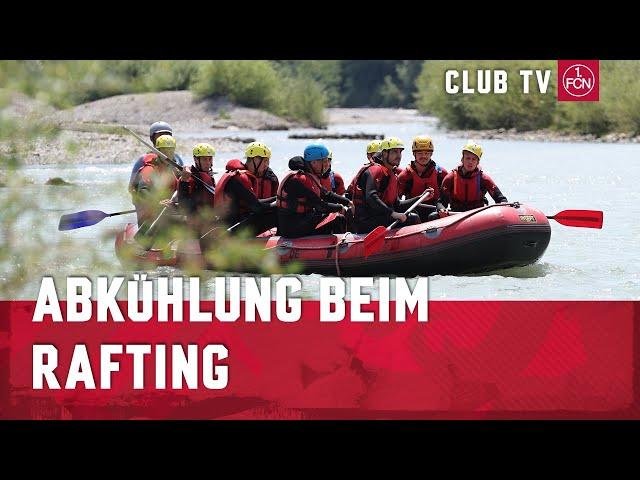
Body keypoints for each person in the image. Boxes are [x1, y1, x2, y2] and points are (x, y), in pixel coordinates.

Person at [351, 137, 432, 234]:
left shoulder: (391, 174)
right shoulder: (375, 170)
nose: (398, 156)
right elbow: (371, 197)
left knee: (412, 215)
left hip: (382, 217)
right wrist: (392, 214)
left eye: (400, 152)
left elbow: (397, 205)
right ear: (385, 153)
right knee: (412, 218)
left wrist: (420, 198)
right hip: (367, 221)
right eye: (394, 152)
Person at [277, 144, 353, 238]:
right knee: (338, 218)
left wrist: (348, 202)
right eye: (324, 161)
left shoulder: (309, 176)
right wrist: (339, 208)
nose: (327, 164)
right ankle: (342, 246)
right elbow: (320, 206)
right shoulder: (300, 179)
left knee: (329, 215)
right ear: (313, 163)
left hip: (301, 221)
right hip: (293, 228)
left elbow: (326, 194)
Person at [213, 142, 279, 236]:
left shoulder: (240, 175)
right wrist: (279, 203)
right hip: (234, 229)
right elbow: (257, 207)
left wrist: (277, 199)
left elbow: (255, 203)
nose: (267, 165)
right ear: (255, 159)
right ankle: (286, 243)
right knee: (277, 213)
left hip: (236, 223)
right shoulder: (239, 178)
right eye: (265, 161)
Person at [433, 141, 508, 219]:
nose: (470, 162)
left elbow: (500, 198)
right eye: (468, 158)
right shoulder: (450, 178)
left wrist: (504, 204)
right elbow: (441, 202)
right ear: (462, 159)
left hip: (477, 215)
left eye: (474, 159)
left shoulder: (484, 179)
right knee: (432, 216)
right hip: (455, 214)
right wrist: (441, 209)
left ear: (478, 162)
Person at [128, 121, 184, 209]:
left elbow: (182, 182)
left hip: (171, 202)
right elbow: (132, 188)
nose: (164, 138)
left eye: (167, 135)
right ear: (152, 138)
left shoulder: (177, 159)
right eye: (160, 135)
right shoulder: (144, 160)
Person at [397, 135, 448, 222]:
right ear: (414, 154)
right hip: (413, 209)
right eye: (420, 153)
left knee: (434, 216)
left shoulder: (441, 173)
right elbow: (397, 202)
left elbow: (446, 198)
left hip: (435, 209)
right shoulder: (405, 175)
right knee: (413, 217)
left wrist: (442, 208)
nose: (423, 156)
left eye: (427, 153)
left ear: (431, 154)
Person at [177, 142, 216, 237]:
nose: (208, 163)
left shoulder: (209, 177)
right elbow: (184, 206)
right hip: (195, 222)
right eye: (204, 159)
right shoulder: (189, 178)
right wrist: (184, 181)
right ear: (195, 159)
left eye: (210, 159)